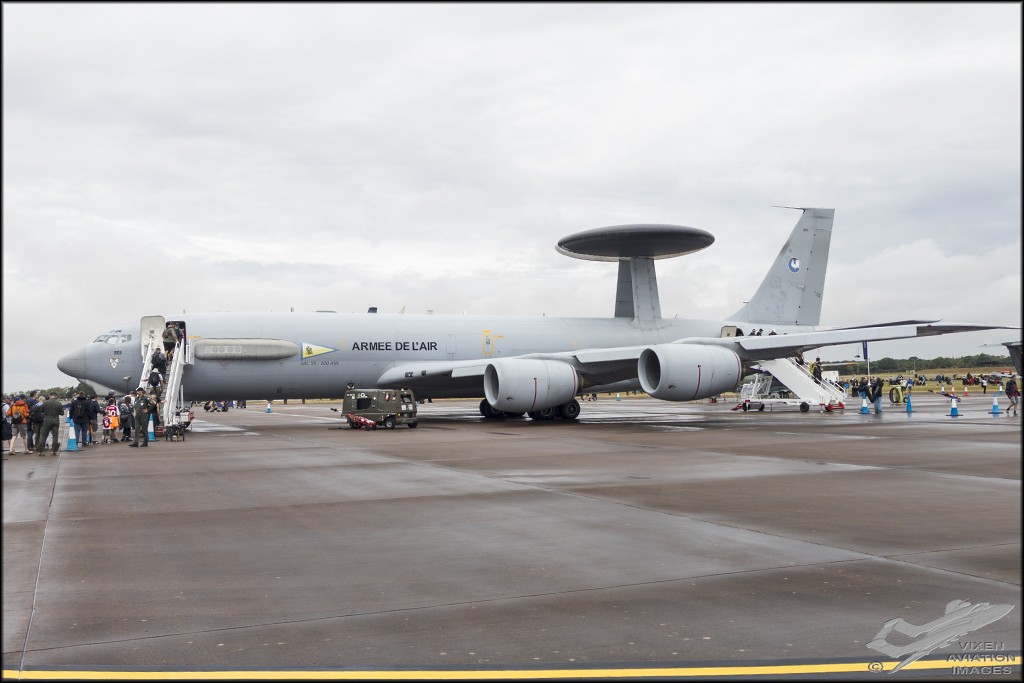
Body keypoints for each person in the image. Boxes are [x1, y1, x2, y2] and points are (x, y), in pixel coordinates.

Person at [35, 391, 65, 455]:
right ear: (56, 396)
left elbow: (41, 410)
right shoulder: (59, 403)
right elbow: (62, 413)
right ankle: (53, 450)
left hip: (47, 420)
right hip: (56, 420)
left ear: (49, 396)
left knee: (43, 435)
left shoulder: (45, 403)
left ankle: (41, 450)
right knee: (55, 435)